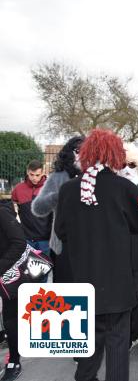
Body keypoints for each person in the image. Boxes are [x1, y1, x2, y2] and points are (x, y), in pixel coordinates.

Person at [54, 129, 138, 381]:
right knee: (117, 344)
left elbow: (61, 231)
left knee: (87, 342)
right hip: (117, 281)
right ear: (115, 154)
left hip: (82, 278)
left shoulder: (69, 190)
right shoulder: (124, 187)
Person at [31, 136, 84, 282]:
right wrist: (60, 195)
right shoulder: (58, 177)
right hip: (63, 242)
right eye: (78, 150)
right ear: (70, 152)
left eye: (86, 151)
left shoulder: (95, 176)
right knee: (65, 289)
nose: (81, 155)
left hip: (88, 242)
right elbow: (38, 207)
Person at [117, 143, 138, 349]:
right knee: (123, 292)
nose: (127, 167)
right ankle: (127, 332)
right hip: (117, 248)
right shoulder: (112, 186)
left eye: (131, 164)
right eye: (123, 163)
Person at [0, 204, 27, 381]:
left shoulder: (2, 213)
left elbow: (19, 242)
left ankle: (14, 361)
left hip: (8, 276)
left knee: (11, 320)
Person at [11, 159, 52, 258]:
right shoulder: (18, 189)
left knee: (45, 268)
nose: (34, 178)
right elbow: (11, 211)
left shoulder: (50, 188)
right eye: (31, 174)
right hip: (27, 238)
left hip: (45, 239)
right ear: (27, 172)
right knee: (27, 271)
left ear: (43, 173)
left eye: (37, 175)